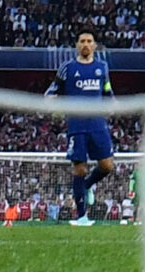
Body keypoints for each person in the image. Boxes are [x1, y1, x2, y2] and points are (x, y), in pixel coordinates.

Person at [48, 30, 115, 226]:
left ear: (94, 45)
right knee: (79, 169)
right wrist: (53, 103)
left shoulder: (102, 67)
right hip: (77, 125)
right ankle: (82, 216)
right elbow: (52, 91)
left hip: (97, 124)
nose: (86, 44)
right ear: (77, 45)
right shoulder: (67, 68)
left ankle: (86, 186)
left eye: (89, 41)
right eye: (82, 41)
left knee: (107, 166)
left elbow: (107, 90)